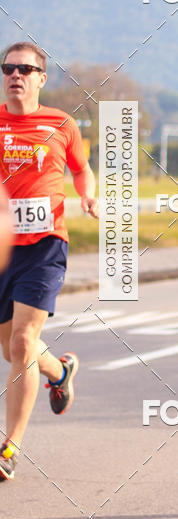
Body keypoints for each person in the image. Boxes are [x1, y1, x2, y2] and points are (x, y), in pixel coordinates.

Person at [0, 42, 99, 481]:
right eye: (8, 68)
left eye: (25, 69)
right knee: (11, 349)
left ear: (41, 78)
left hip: (45, 247)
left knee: (22, 342)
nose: (15, 75)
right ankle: (61, 371)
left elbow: (81, 168)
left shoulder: (61, 124)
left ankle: (10, 448)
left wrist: (88, 193)